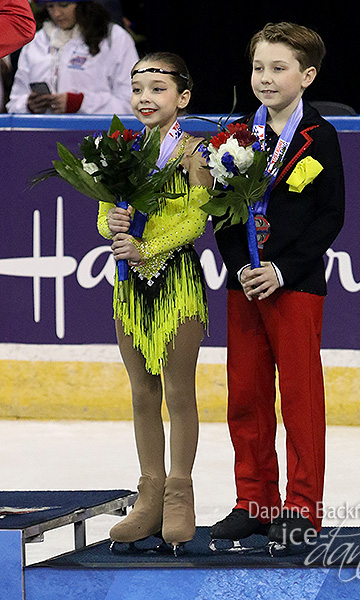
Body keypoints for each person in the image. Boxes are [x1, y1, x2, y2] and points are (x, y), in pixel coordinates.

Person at [210, 22, 345, 550]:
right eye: (258, 68)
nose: (265, 78)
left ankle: (302, 507)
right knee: (245, 396)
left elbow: (330, 217)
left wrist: (282, 270)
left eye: (278, 68)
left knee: (300, 397)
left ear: (307, 76)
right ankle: (255, 501)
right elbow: (222, 213)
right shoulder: (236, 136)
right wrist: (242, 266)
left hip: (295, 285)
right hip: (244, 285)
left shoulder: (320, 136)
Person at [97, 52, 212, 553]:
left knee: (177, 389)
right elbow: (105, 212)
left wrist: (150, 246)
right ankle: (149, 494)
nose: (146, 98)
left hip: (176, 281)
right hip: (130, 286)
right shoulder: (119, 150)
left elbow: (196, 219)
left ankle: (179, 493)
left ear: (182, 98)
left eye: (158, 89)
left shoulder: (194, 153)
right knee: (142, 392)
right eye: (138, 88)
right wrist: (114, 229)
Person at [6, 0, 138, 114]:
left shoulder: (114, 38)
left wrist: (81, 104)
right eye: (50, 6)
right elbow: (14, 103)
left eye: (64, 5)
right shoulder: (36, 42)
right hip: (45, 136)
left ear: (82, 4)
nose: (57, 13)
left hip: (98, 136)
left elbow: (132, 103)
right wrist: (29, 106)